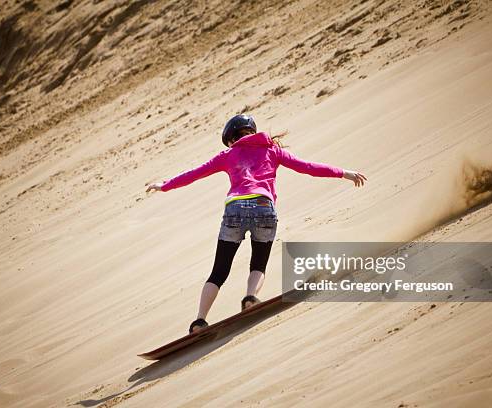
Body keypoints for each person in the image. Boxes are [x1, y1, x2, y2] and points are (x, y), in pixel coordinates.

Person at [146, 114, 367, 333]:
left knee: (219, 271)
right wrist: (343, 173)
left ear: (232, 138)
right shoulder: (272, 150)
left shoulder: (228, 154)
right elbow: (307, 167)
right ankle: (250, 298)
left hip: (235, 208)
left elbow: (194, 174)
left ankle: (199, 321)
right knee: (258, 263)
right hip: (264, 206)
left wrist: (164, 185)